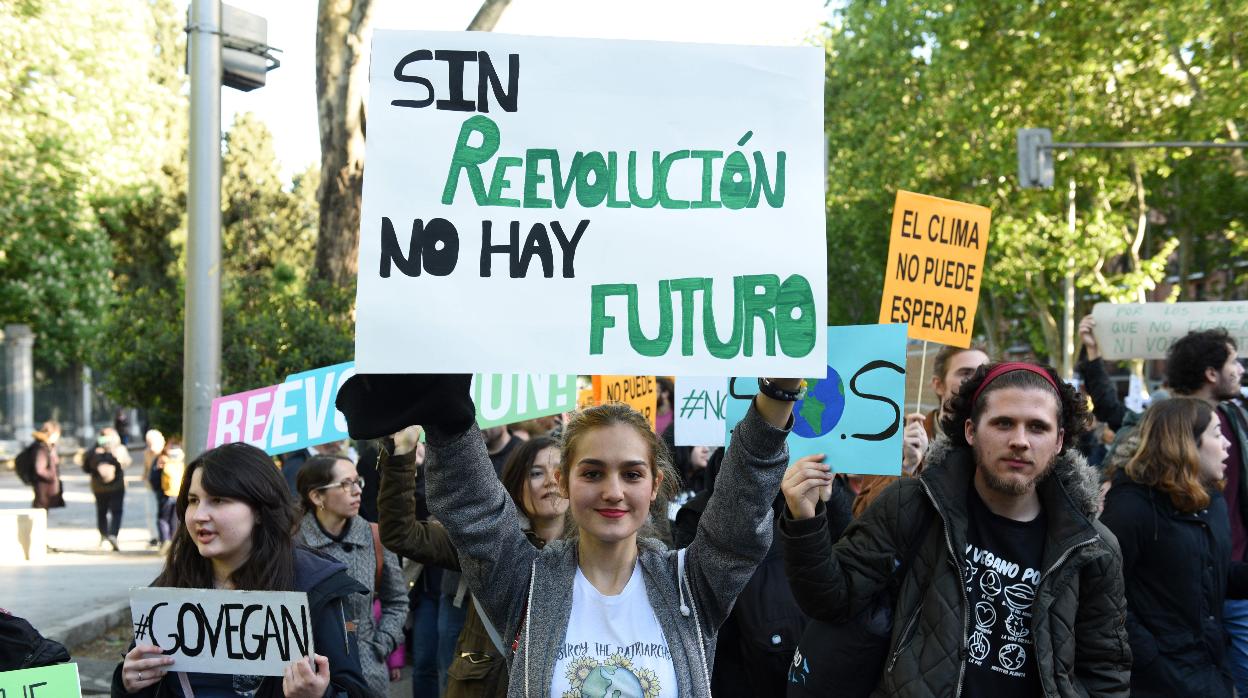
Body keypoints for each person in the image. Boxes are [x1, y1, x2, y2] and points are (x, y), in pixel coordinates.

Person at [336, 372, 798, 697]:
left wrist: (777, 394)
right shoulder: (527, 583)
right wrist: (449, 421)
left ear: (655, 485)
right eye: (593, 473)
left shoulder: (691, 586)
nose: (613, 492)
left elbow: (740, 512)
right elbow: (474, 512)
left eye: (632, 474)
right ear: (564, 482)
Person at [781, 362, 1130, 696]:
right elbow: (832, 600)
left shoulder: (1092, 548)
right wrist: (805, 518)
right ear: (970, 431)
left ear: (1059, 441)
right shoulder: (911, 505)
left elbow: (1105, 671)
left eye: (1037, 427)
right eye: (1003, 423)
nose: (1020, 441)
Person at [111, 441, 369, 697]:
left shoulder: (314, 586)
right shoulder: (170, 587)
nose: (199, 515)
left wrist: (320, 695)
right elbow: (145, 682)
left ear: (259, 509)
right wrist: (128, 684)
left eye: (218, 500)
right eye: (193, 500)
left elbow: (353, 691)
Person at [1082, 322, 1248, 692]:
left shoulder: (1214, 500)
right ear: (1184, 444)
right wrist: (1151, 657)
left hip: (1209, 647)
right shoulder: (1132, 508)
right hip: (1164, 674)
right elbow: (1103, 593)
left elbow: (1217, 572)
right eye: (1216, 436)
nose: (1227, 447)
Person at [379, 430, 568, 697]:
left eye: (560, 472)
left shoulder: (597, 550)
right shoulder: (483, 539)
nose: (551, 482)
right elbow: (401, 534)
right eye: (537, 473)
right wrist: (402, 454)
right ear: (516, 483)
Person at [296, 455, 408, 697]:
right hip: (311, 674)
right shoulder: (293, 543)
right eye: (346, 484)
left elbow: (397, 600)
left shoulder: (374, 536)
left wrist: (381, 643)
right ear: (317, 496)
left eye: (358, 482)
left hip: (369, 669)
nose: (357, 491)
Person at [853, 344, 989, 517]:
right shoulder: (896, 439)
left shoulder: (994, 444)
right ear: (938, 385)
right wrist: (907, 466)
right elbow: (863, 515)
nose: (976, 382)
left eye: (983, 374)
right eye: (966, 373)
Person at [84, 427, 131, 551]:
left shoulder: (93, 451)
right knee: (117, 512)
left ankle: (104, 536)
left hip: (98, 487)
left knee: (101, 512)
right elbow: (125, 463)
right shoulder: (119, 449)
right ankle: (113, 534)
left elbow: (86, 467)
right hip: (117, 486)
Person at [26, 420, 64, 510]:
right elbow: (40, 469)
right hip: (43, 488)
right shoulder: (42, 448)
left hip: (46, 489)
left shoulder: (48, 446)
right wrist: (52, 475)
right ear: (52, 433)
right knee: (40, 514)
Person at [142, 430, 166, 547]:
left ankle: (163, 536)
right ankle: (153, 536)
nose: (150, 446)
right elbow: (146, 468)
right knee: (150, 512)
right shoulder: (146, 453)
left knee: (162, 513)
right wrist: (145, 476)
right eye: (148, 443)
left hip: (163, 488)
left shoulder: (164, 453)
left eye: (152, 443)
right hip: (150, 486)